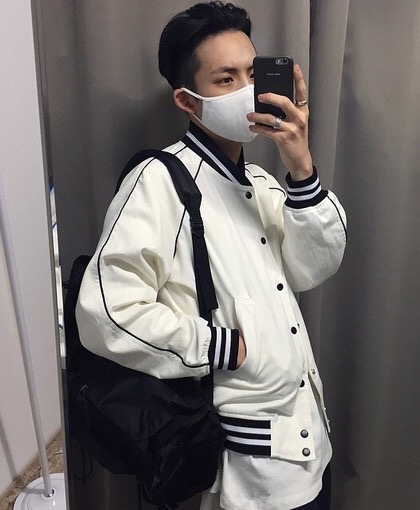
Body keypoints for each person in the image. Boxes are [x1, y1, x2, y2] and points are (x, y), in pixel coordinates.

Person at [75, 2, 347, 509]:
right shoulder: (159, 180)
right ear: (187, 100)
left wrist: (302, 168)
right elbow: (106, 311)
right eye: (226, 79)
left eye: (253, 73)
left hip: (310, 431)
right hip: (249, 458)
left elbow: (314, 266)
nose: (247, 89)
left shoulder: (262, 183)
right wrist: (217, 345)